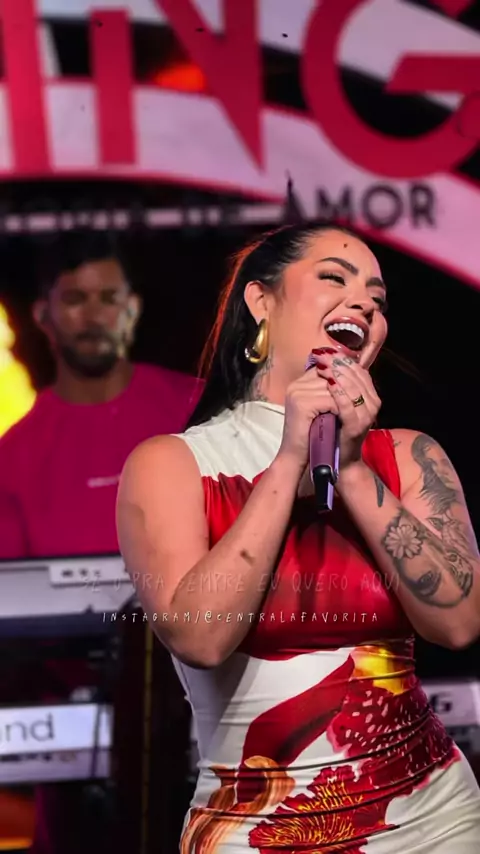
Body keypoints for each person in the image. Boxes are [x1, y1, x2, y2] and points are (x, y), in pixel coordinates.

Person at [117, 224, 480, 853]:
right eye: (334, 278)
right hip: (256, 829)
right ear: (262, 301)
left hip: (434, 819)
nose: (363, 303)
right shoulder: (171, 464)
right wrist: (290, 461)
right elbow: (200, 637)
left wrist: (354, 468)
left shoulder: (408, 455)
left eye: (377, 299)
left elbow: (460, 624)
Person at [0, 230, 201, 853]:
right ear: (43, 315)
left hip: (215, 733)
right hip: (73, 775)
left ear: (133, 308)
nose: (94, 314)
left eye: (108, 297)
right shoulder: (14, 455)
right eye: (75, 299)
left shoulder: (197, 409)